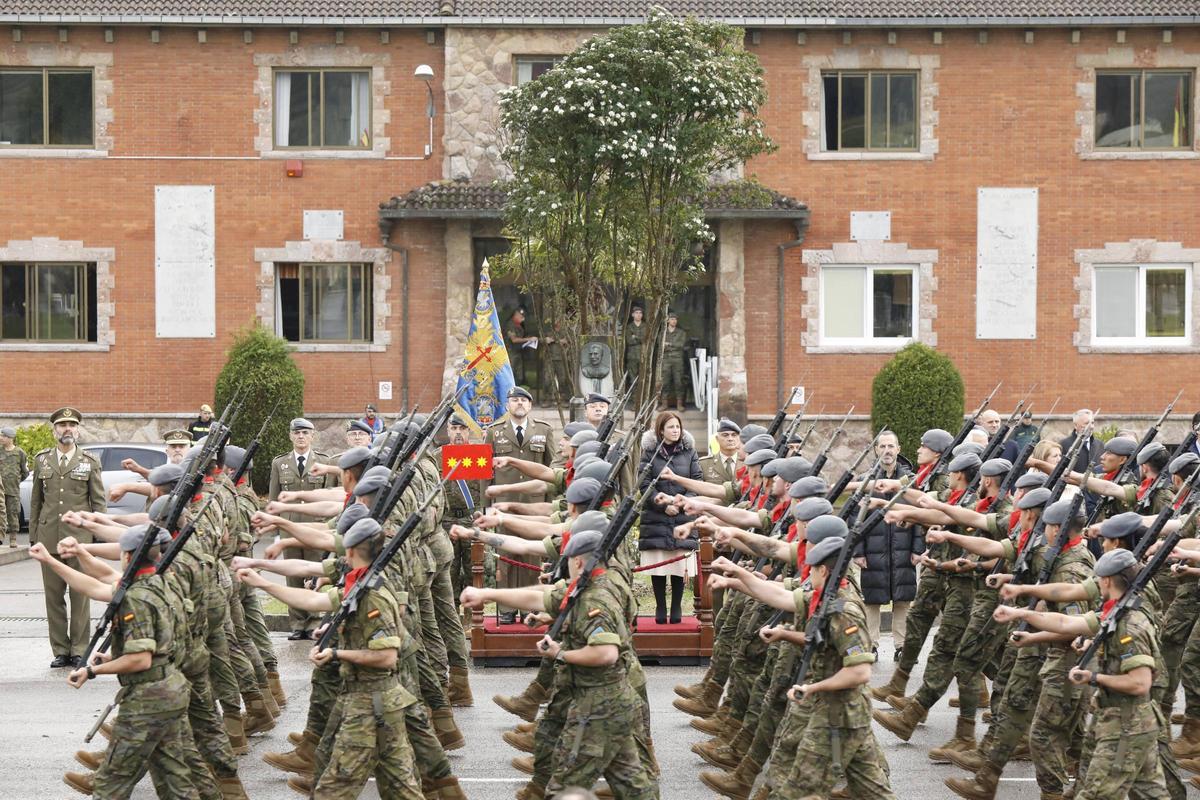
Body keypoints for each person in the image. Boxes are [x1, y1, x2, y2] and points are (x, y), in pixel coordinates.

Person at [237, 518, 426, 798]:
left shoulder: (372, 596)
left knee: (331, 791)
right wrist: (263, 582)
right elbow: (312, 602)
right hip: (379, 704)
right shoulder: (361, 584)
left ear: (349, 552)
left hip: (370, 706)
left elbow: (386, 656)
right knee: (404, 791)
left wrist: (336, 653)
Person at [53, 525, 202, 799]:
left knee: (110, 784)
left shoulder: (137, 596)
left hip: (149, 699)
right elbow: (162, 643)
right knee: (177, 783)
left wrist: (92, 670)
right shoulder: (166, 583)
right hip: (172, 689)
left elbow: (140, 659)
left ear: (127, 556)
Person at [29, 406, 105, 668]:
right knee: (53, 597)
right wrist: (34, 537)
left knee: (80, 596)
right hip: (49, 538)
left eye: (72, 425)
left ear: (78, 430)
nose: (67, 429)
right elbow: (37, 502)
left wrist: (98, 536)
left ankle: (79, 649)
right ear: (55, 431)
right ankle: (60, 650)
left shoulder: (89, 462)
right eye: (62, 426)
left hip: (79, 540)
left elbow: (98, 503)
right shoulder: (42, 461)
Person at [483, 386, 555, 624]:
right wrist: (486, 505)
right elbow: (486, 473)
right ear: (507, 405)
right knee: (505, 555)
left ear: (530, 405)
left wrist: (551, 505)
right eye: (515, 400)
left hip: (534, 508)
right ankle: (506, 608)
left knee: (531, 558)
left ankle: (528, 607)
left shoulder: (544, 431)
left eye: (524, 400)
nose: (519, 404)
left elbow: (550, 471)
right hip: (503, 506)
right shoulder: (494, 432)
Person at [268, 417, 338, 640]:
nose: (300, 437)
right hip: (290, 526)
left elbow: (328, 498)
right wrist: (274, 530)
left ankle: (314, 620)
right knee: (292, 575)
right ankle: (298, 623)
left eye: (305, 433)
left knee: (313, 571)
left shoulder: (323, 462)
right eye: (297, 433)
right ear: (290, 435)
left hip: (315, 527)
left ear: (312, 436)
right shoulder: (279, 463)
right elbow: (273, 497)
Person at [852, 430, 916, 658]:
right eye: (883, 447)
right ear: (876, 450)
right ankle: (872, 646)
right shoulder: (865, 481)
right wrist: (857, 551)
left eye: (891, 446)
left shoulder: (910, 481)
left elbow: (919, 514)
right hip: (872, 549)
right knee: (872, 600)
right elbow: (855, 520)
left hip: (903, 547)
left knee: (903, 599)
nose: (887, 451)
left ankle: (902, 646)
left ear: (898, 449)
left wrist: (917, 549)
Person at [640, 410, 702, 624]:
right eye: (671, 427)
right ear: (661, 430)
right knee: (659, 564)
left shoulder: (690, 452)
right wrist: (664, 505)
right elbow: (644, 485)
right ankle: (660, 606)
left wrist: (681, 503)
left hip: (683, 514)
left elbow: (697, 480)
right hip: (657, 515)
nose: (675, 430)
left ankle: (676, 607)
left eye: (677, 426)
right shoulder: (649, 453)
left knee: (678, 563)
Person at [0, 426, 28, 545]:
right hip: (0, 489)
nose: (1, 438)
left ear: (10, 438)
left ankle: (13, 538)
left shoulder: (20, 453)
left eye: (3, 436)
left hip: (13, 489)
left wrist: (16, 480)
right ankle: (0, 538)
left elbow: (25, 471)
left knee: (13, 513)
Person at [699, 418, 741, 485]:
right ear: (717, 439)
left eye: (734, 435)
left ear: (739, 438)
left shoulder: (747, 463)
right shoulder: (703, 464)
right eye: (725, 435)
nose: (730, 439)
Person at [660, 312, 688, 411]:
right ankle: (664, 404)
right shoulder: (662, 333)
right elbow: (660, 346)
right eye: (672, 319)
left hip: (677, 360)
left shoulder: (681, 333)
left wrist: (668, 345)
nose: (674, 321)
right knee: (664, 381)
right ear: (668, 320)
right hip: (665, 360)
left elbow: (681, 345)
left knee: (679, 381)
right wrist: (670, 346)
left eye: (675, 319)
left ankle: (679, 404)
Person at [505, 307, 537, 387]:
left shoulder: (519, 326)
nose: (523, 319)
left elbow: (521, 337)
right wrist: (528, 339)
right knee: (510, 373)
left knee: (519, 375)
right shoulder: (510, 325)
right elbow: (514, 340)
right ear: (515, 315)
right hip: (510, 353)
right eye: (521, 317)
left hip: (518, 352)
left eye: (523, 318)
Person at [624, 305, 647, 384]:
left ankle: (642, 396)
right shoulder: (629, 327)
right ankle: (633, 396)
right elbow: (629, 341)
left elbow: (646, 340)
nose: (638, 314)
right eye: (636, 313)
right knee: (632, 378)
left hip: (643, 354)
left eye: (640, 313)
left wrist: (635, 336)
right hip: (632, 355)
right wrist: (640, 339)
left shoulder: (646, 326)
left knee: (643, 378)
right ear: (632, 314)